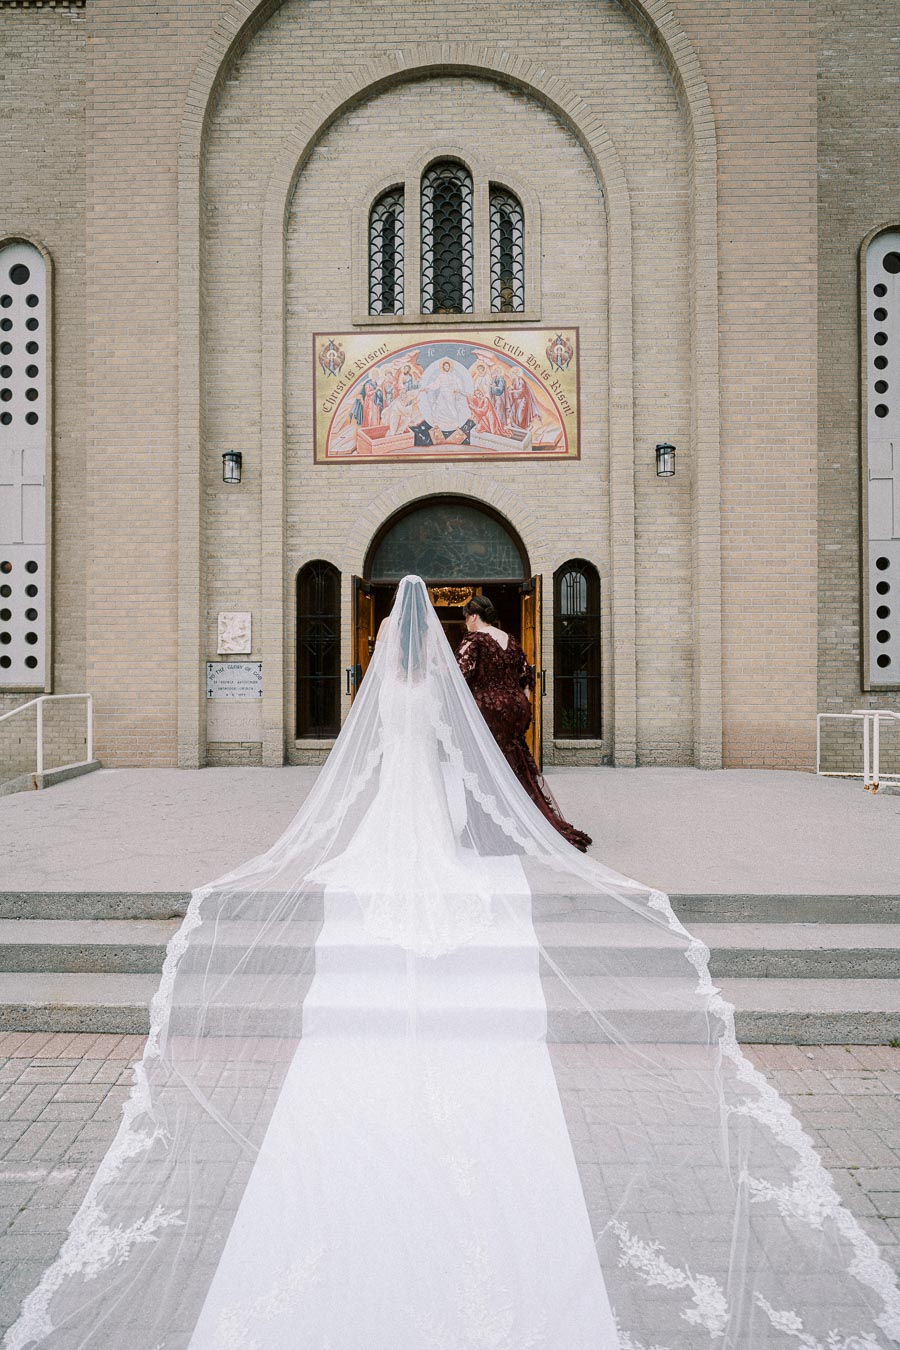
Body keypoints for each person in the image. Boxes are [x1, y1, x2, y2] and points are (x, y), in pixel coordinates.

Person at [6, 576, 899, 1349]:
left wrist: (334, 817)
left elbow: (356, 765)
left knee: (379, 850)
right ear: (432, 638)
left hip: (393, 794)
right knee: (434, 848)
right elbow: (453, 748)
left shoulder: (374, 688)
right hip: (426, 792)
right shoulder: (439, 684)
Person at [456, 593, 592, 852]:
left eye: (466, 619)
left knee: (481, 766)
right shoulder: (509, 639)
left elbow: (459, 676)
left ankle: (488, 830)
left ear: (473, 616)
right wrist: (518, 703)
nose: (466, 624)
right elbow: (526, 677)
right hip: (516, 708)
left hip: (488, 710)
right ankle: (521, 821)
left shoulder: (474, 640)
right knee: (514, 765)